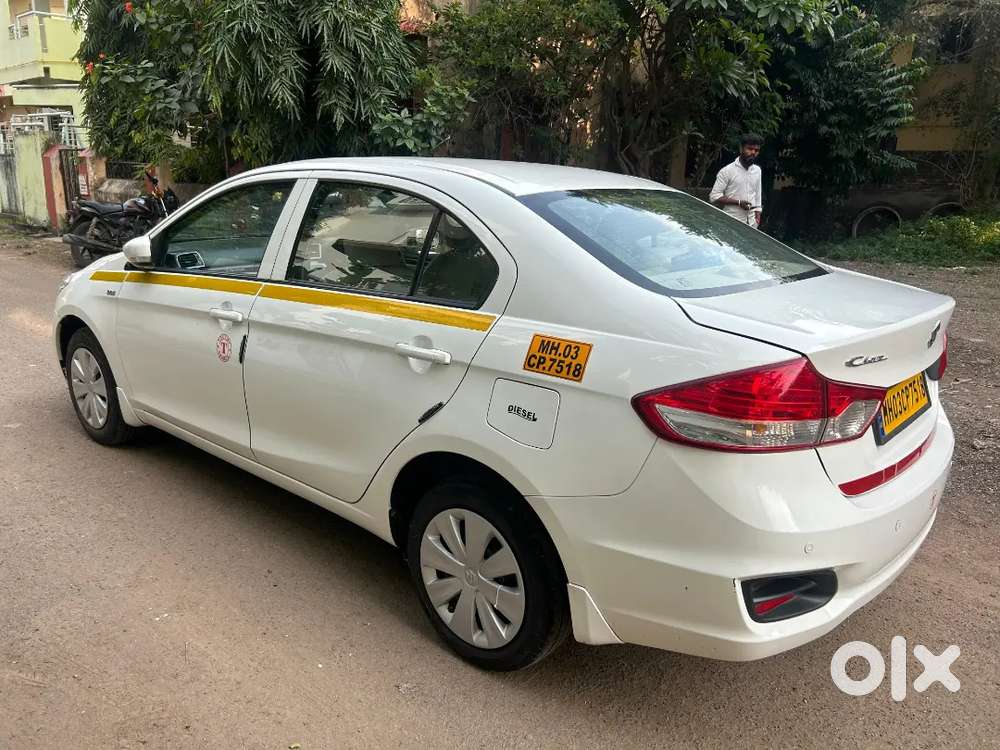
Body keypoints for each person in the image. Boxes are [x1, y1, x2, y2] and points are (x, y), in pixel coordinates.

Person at [709, 134, 763, 227]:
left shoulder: (757, 170)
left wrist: (758, 216)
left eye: (756, 150)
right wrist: (738, 203)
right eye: (750, 149)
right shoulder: (727, 171)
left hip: (752, 224)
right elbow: (714, 196)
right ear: (741, 149)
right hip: (731, 222)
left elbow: (757, 195)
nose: (753, 152)